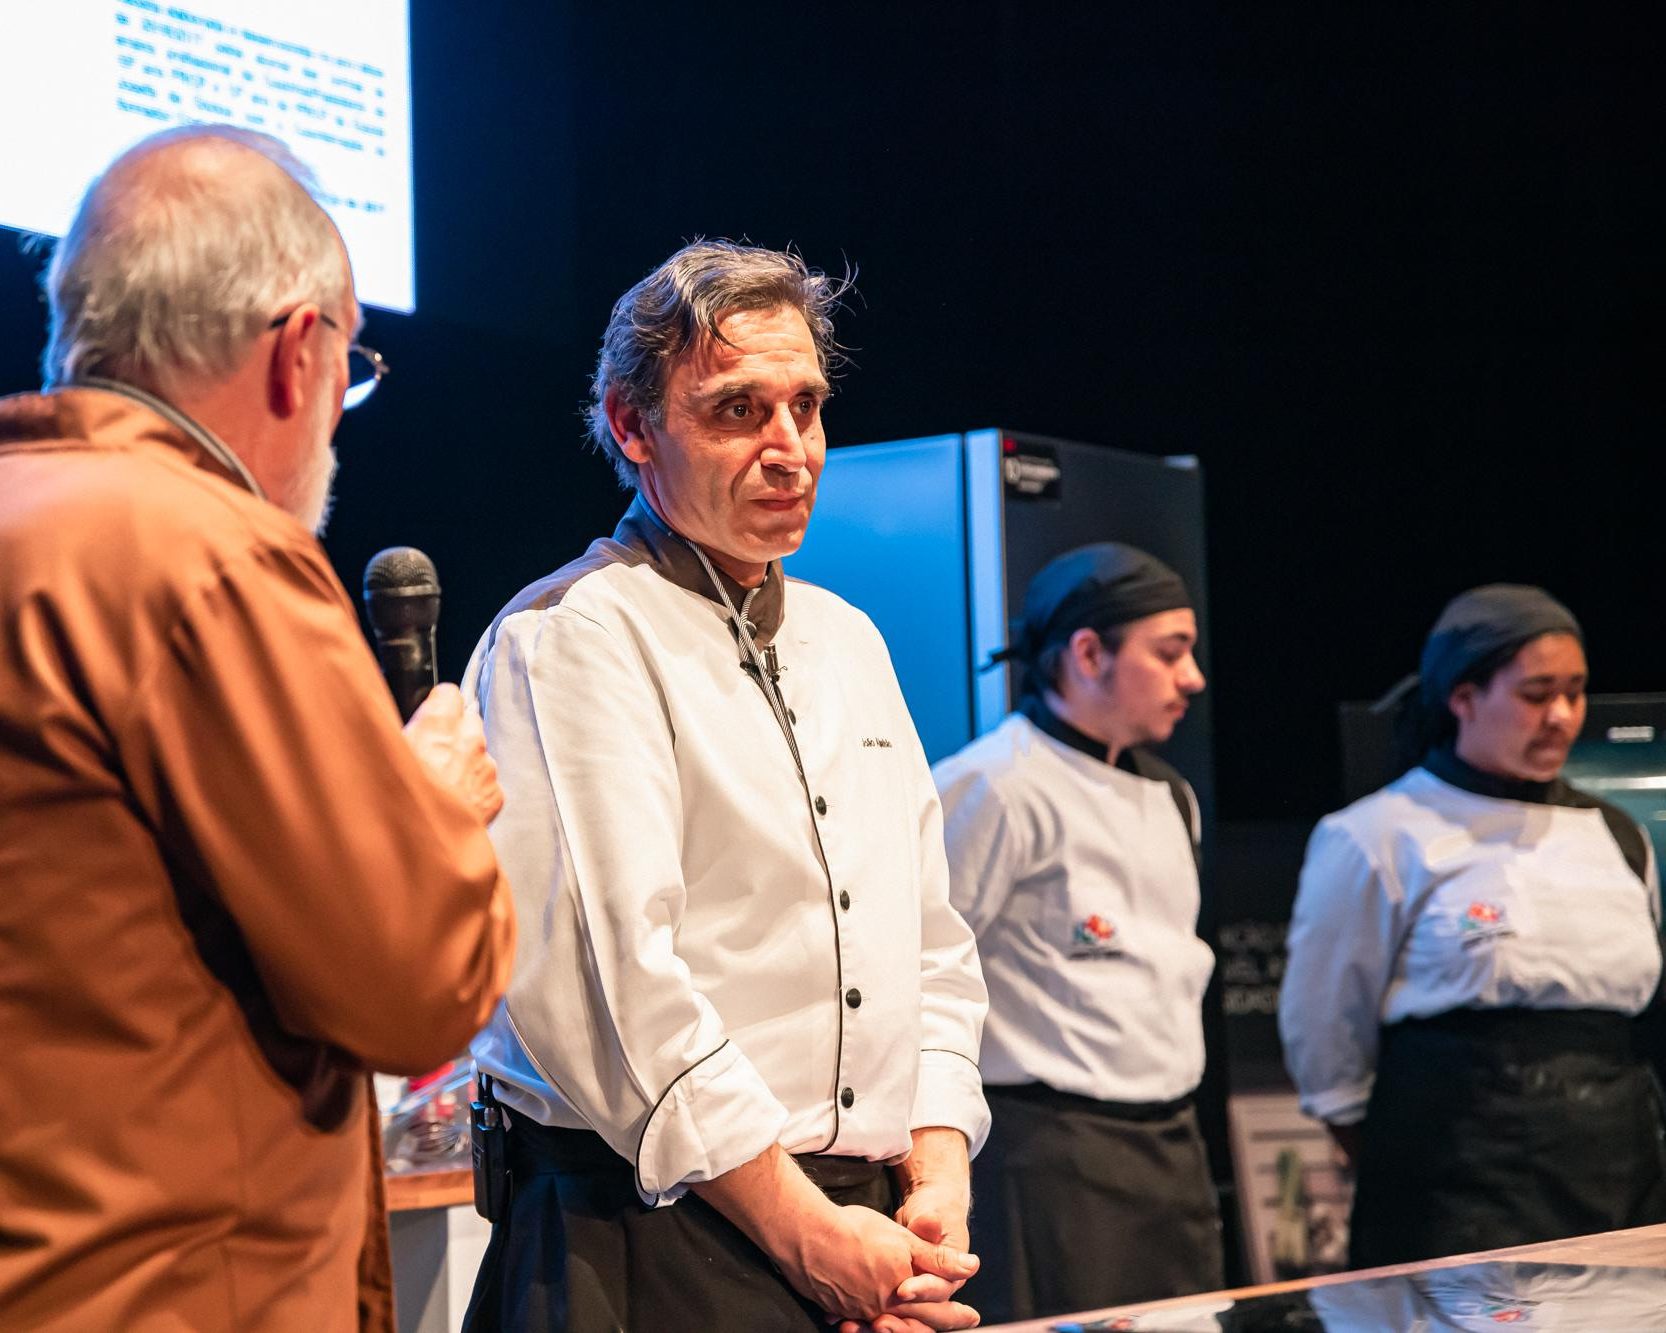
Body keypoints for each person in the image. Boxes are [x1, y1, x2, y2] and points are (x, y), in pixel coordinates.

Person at [0, 126, 515, 1332]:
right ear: (297, 351)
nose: (337, 418)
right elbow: (418, 988)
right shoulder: (219, 559)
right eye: (350, 370)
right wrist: (434, 805)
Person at [459, 240, 991, 1333]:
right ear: (631, 426)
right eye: (737, 410)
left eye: (805, 406)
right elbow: (618, 997)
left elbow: (931, 942)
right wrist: (805, 1232)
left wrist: (935, 1174)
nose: (789, 448)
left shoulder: (851, 641)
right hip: (650, 1233)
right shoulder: (571, 639)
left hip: (865, 1228)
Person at [1280, 584, 1666, 1267]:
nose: (1562, 715)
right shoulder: (1378, 833)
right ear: (1462, 697)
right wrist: (1382, 1149)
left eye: (1575, 692)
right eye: (1535, 693)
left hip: (1619, 1158)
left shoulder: (1617, 834)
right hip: (1455, 1175)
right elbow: (1324, 1023)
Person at [931, 542, 1222, 1321]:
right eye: (1170, 653)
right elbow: (918, 970)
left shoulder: (1173, 795)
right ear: (1088, 652)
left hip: (1171, 1150)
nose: (1192, 676)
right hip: (1047, 1157)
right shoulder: (994, 784)